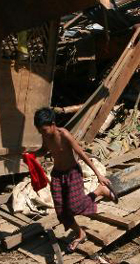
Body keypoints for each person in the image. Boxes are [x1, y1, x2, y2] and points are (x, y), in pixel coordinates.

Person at [28, 107, 117, 251]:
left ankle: (100, 191)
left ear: (52, 124)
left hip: (72, 173)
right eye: (40, 131)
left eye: (44, 130)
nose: (42, 133)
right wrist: (30, 155)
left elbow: (81, 153)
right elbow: (44, 150)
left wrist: (98, 175)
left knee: (75, 206)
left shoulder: (64, 135)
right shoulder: (46, 136)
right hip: (57, 175)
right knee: (62, 213)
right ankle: (80, 233)